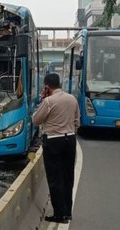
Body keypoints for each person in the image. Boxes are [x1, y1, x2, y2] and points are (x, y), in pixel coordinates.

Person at [32, 73, 80, 224]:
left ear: (47, 86)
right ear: (59, 84)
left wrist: (42, 99)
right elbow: (77, 121)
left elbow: (35, 120)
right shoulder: (72, 99)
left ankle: (59, 214)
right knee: (68, 176)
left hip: (53, 141)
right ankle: (67, 212)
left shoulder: (48, 101)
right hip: (70, 139)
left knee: (55, 178)